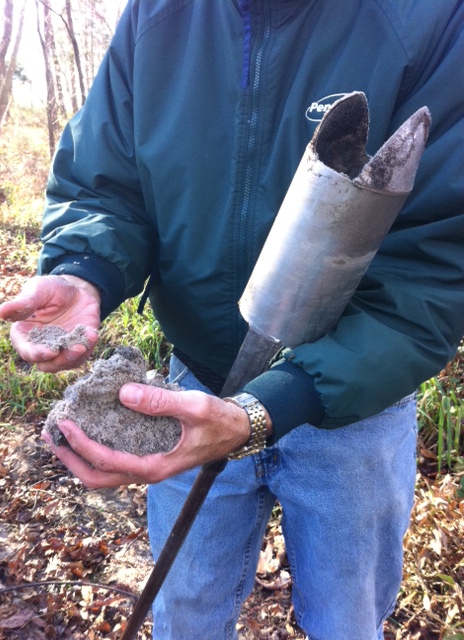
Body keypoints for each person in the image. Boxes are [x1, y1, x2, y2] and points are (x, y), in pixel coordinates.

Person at [1, 2, 463, 638]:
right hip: (191, 386)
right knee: (186, 612)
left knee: (348, 620)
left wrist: (272, 406)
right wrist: (86, 268)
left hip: (352, 411)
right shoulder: (157, 16)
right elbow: (105, 182)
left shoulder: (430, 19)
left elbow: (437, 264)